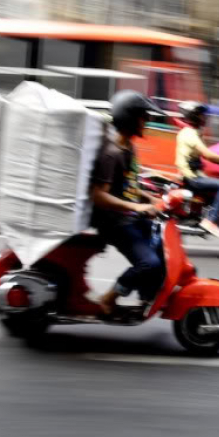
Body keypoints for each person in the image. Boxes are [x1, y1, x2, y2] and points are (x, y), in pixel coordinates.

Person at [91, 90, 164, 315]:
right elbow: (99, 195)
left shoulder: (129, 147)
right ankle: (109, 297)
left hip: (129, 217)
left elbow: (128, 186)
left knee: (161, 249)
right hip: (113, 222)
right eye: (143, 117)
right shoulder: (112, 153)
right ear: (129, 118)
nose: (147, 122)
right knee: (149, 263)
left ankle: (147, 295)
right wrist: (137, 207)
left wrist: (150, 198)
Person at [175, 101, 219, 238]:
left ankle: (206, 216)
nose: (204, 118)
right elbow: (208, 154)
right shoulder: (189, 134)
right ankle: (210, 221)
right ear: (194, 116)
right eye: (201, 115)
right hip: (192, 178)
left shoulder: (193, 133)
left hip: (194, 175)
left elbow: (207, 158)